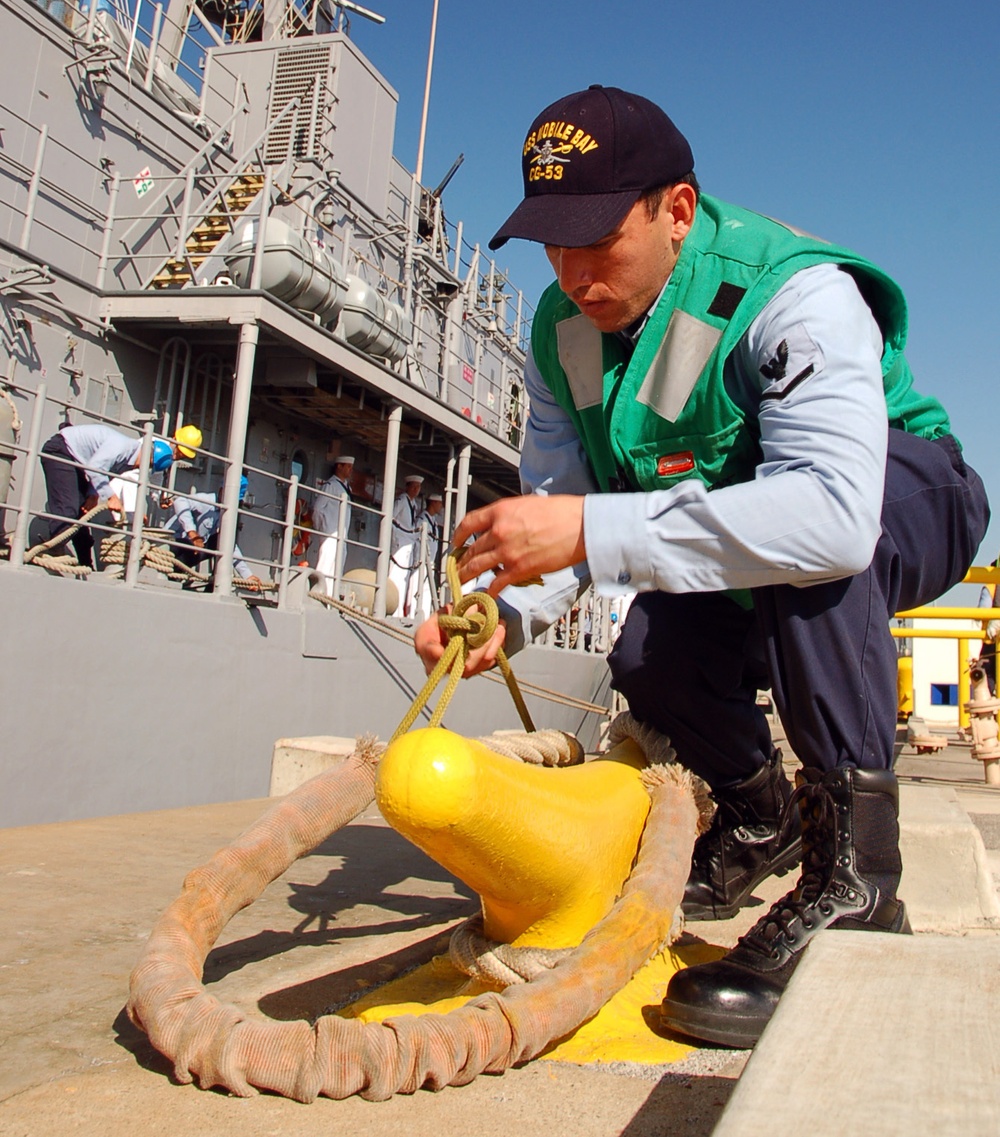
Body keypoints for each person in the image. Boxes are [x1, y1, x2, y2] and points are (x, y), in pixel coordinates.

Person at [414, 84, 989, 1050]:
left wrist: (591, 532)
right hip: (742, 533)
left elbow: (835, 517)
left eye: (597, 238)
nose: (573, 270)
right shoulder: (562, 335)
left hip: (903, 492)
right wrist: (500, 613)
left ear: (676, 210)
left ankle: (860, 883)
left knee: (808, 566)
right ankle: (763, 815)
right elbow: (558, 516)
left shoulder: (792, 290)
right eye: (552, 241)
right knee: (652, 658)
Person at [33, 421, 202, 566]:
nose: (140, 469)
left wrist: (93, 495)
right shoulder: (122, 448)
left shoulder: (132, 460)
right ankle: (53, 553)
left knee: (82, 511)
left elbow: (103, 472)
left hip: (77, 460)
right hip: (62, 450)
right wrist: (112, 497)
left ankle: (85, 562)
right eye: (146, 466)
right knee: (68, 508)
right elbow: (95, 467)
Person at [166, 477, 255, 589]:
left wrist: (248, 576)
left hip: (191, 551)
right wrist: (192, 532)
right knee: (211, 542)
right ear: (222, 490)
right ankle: (172, 573)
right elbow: (180, 501)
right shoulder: (206, 500)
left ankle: (213, 588)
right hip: (172, 545)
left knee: (221, 541)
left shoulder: (225, 512)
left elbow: (229, 546)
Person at [312, 456, 355, 594]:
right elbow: (318, 508)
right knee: (326, 567)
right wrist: (322, 528)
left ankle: (331, 600)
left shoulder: (347, 487)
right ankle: (319, 596)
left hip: (342, 536)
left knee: (337, 570)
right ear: (339, 467)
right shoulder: (330, 486)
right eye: (347, 466)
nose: (350, 470)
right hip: (330, 534)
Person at [390, 473, 424, 616]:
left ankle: (399, 611)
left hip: (408, 543)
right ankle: (391, 608)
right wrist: (396, 537)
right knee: (395, 576)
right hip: (400, 544)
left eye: (418, 487)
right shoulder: (402, 500)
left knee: (403, 578)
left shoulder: (413, 504)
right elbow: (390, 517)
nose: (416, 490)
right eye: (414, 486)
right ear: (408, 487)